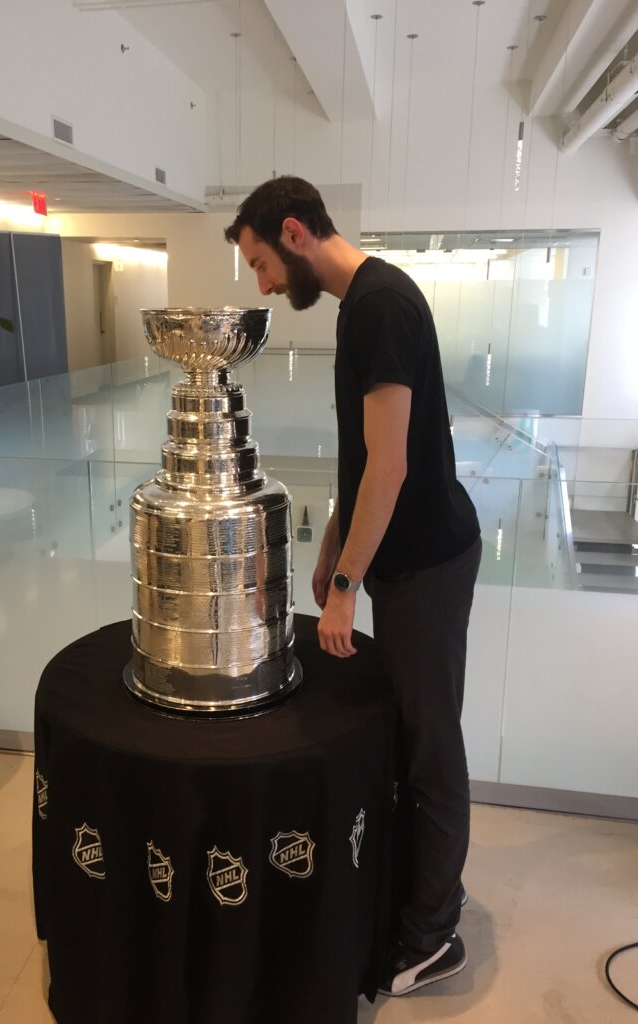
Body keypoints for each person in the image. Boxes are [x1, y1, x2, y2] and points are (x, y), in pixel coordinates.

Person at [224, 177, 482, 997]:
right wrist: (336, 545)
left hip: (429, 565)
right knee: (416, 741)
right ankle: (428, 894)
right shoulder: (364, 302)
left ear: (294, 234)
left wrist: (343, 586)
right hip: (407, 562)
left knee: (433, 750)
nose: (263, 283)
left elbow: (396, 464)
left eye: (262, 262)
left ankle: (433, 935)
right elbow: (368, 459)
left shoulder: (377, 306)